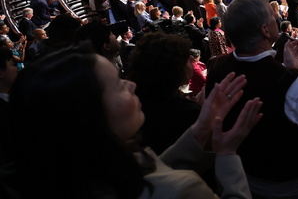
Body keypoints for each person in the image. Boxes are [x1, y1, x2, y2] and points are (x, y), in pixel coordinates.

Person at [8, 43, 262, 198]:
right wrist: (227, 154)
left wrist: (201, 129)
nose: (130, 84)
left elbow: (148, 171)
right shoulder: (182, 191)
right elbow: (162, 185)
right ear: (88, 116)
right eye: (118, 85)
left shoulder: (72, 174)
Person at [205, 0, 298, 199]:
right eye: (271, 14)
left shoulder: (216, 67)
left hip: (245, 179)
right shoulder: (291, 82)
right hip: (295, 189)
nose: (276, 17)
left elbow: (258, 85)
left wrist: (287, 69)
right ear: (265, 30)